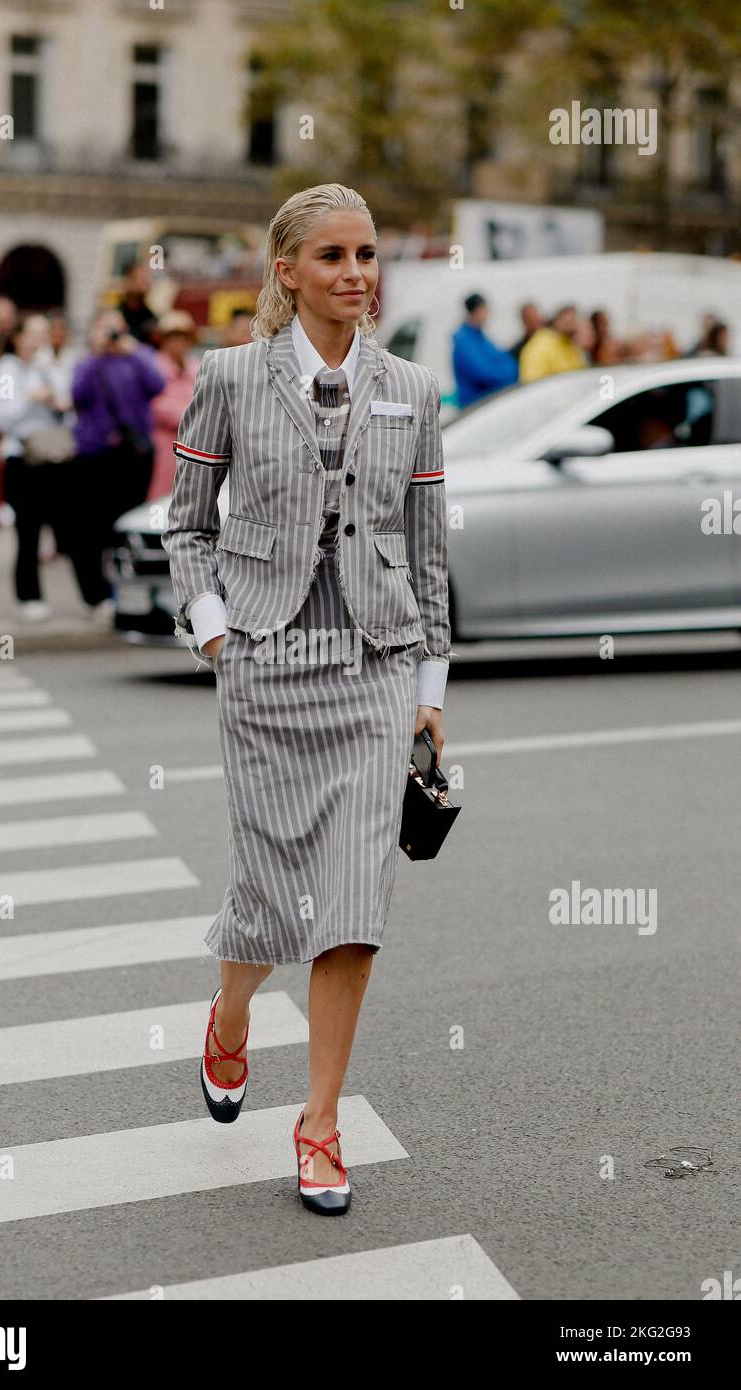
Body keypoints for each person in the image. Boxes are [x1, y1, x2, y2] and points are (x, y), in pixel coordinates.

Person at [165, 182, 452, 1216]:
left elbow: (426, 549)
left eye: (366, 254)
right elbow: (185, 525)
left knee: (352, 904)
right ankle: (231, 1014)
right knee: (265, 895)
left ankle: (319, 1123)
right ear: (287, 271)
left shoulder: (412, 390)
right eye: (332, 256)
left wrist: (429, 685)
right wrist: (210, 628)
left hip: (373, 667)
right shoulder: (230, 377)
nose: (356, 274)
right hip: (266, 662)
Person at [0, 313, 83, 621]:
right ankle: (29, 596)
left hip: (54, 454)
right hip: (23, 458)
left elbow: (67, 406)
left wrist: (56, 400)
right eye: (35, 332)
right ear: (18, 337)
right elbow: (1, 416)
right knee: (28, 531)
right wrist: (30, 398)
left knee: (72, 528)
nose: (41, 339)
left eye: (45, 332)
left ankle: (94, 595)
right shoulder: (6, 372)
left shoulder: (47, 367)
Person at [70, 309, 164, 611]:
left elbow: (157, 385)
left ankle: (129, 588)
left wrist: (133, 351)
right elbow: (77, 395)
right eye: (105, 328)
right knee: (92, 526)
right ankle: (96, 593)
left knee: (127, 521)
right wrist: (96, 353)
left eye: (116, 328)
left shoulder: (137, 357)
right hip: (97, 453)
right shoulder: (88, 363)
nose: (111, 334)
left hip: (133, 453)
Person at [149, 310, 199, 498]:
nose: (178, 342)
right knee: (162, 496)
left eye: (182, 336)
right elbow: (156, 405)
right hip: (164, 443)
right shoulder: (154, 366)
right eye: (172, 337)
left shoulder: (195, 365)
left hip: (194, 442)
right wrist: (192, 415)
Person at [451, 292, 518, 408]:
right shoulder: (464, 340)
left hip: (485, 403)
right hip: (474, 406)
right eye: (485, 310)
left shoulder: (480, 337)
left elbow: (506, 360)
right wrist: (509, 375)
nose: (487, 315)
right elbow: (483, 373)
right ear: (477, 311)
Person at [518, 304, 588, 383]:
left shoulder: (573, 347)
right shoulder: (540, 345)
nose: (573, 326)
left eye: (574, 321)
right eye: (569, 322)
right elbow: (531, 384)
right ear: (557, 320)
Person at [116, 261, 158, 345]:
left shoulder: (150, 318)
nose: (143, 284)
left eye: (145, 279)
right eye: (138, 278)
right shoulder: (114, 314)